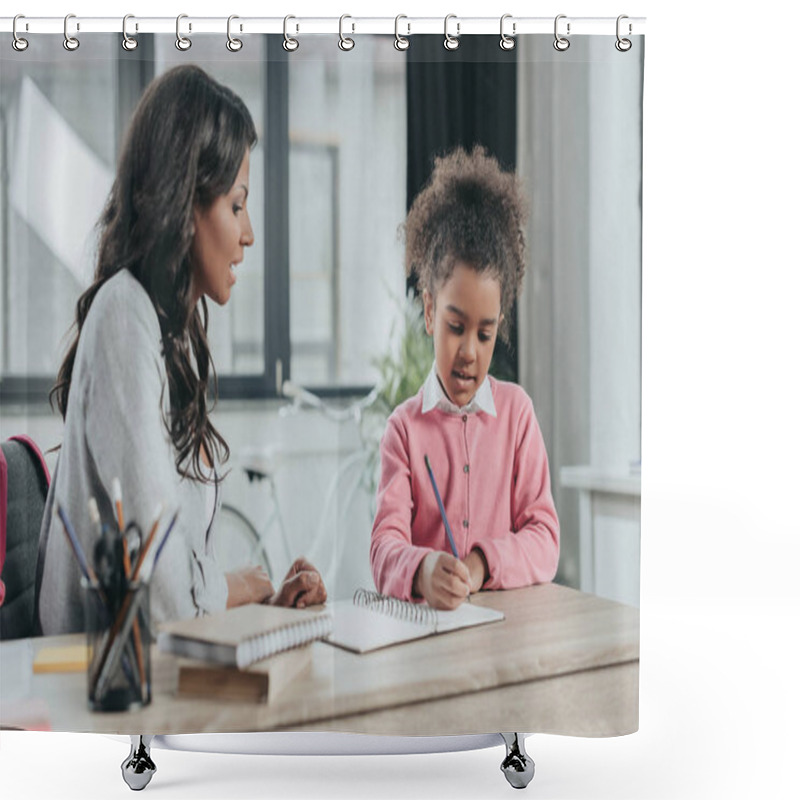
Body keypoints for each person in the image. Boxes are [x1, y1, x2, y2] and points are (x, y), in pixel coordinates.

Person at [39, 65, 326, 636]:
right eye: (237, 205)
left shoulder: (170, 333)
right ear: (187, 202)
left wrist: (256, 599)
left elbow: (178, 581)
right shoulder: (125, 317)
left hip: (148, 669)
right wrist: (234, 587)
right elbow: (164, 598)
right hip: (102, 688)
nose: (248, 235)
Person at [370, 146, 559, 610]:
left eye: (485, 333)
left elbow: (544, 538)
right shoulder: (403, 430)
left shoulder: (517, 416)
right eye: (456, 327)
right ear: (431, 310)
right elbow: (383, 550)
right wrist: (422, 570)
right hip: (429, 648)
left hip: (506, 642)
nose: (469, 352)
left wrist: (480, 563)